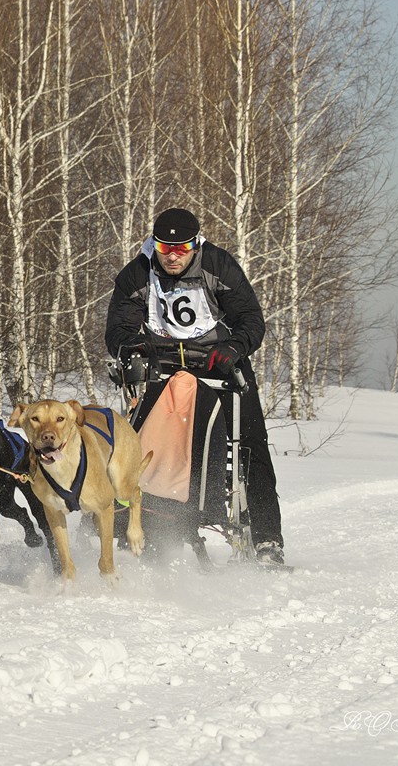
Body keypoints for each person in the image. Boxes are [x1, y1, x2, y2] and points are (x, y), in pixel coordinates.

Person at [104, 207, 285, 566]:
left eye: (182, 248)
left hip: (218, 363)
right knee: (128, 440)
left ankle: (267, 540)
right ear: (153, 244)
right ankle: (120, 522)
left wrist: (234, 347)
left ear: (195, 243)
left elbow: (251, 320)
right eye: (164, 247)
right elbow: (118, 330)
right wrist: (133, 348)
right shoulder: (137, 273)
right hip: (163, 366)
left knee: (251, 444)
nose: (172, 256)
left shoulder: (218, 265)